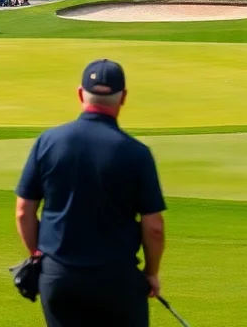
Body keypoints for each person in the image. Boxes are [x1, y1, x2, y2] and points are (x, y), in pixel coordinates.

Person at [15, 59, 166, 327]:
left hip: (59, 276)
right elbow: (153, 226)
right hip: (117, 279)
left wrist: (37, 255)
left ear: (80, 94)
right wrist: (151, 273)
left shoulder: (48, 142)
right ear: (124, 98)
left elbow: (24, 210)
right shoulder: (136, 153)